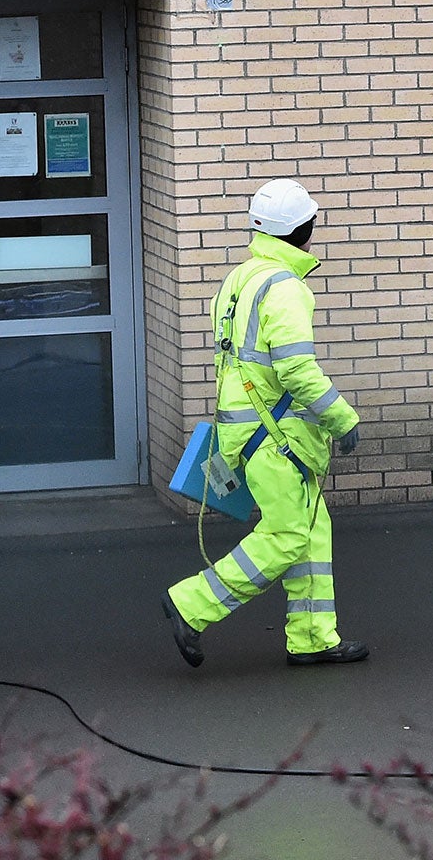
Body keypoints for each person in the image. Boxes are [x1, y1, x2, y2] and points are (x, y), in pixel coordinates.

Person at [163, 178, 366, 668]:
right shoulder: (286, 288)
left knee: (310, 529)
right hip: (276, 438)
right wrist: (342, 419)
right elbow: (296, 369)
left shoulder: (239, 279)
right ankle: (191, 604)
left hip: (249, 432)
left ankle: (314, 637)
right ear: (304, 229)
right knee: (285, 536)